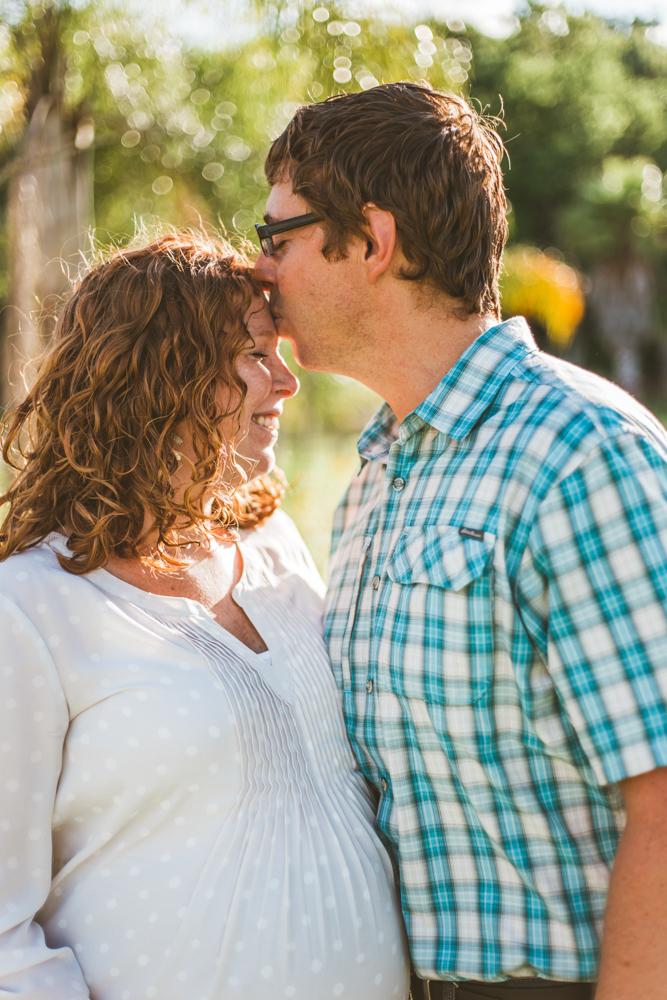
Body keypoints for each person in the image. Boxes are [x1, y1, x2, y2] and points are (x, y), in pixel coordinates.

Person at [253, 81, 667, 1000]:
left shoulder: (578, 452)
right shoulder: (377, 481)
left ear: (369, 239)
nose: (262, 269)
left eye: (276, 236)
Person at [0, 233, 411, 1000]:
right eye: (257, 356)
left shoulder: (276, 547)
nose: (286, 383)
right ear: (163, 378)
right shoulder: (29, 609)